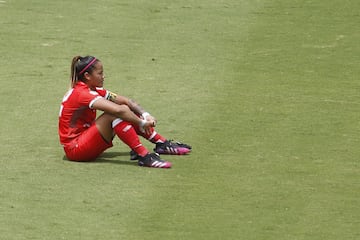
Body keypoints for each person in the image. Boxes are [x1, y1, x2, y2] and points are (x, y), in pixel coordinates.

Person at [58, 55, 191, 168]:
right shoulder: (82, 94)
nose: (103, 76)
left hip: (84, 141)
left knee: (125, 109)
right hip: (75, 149)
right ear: (87, 76)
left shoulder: (92, 89)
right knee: (115, 114)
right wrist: (141, 123)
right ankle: (143, 156)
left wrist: (145, 114)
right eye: (100, 73)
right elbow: (119, 111)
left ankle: (161, 143)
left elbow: (126, 101)